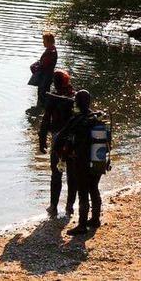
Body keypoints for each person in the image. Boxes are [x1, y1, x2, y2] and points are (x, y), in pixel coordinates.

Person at [54, 90, 106, 235]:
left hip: (82, 161)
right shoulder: (97, 119)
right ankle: (95, 219)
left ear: (76, 103)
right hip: (98, 160)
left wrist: (62, 155)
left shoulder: (77, 120)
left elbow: (59, 139)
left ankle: (82, 225)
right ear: (89, 102)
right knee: (94, 188)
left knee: (83, 192)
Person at [38, 70, 76, 217]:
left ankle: (53, 207)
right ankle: (70, 207)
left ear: (54, 82)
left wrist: (42, 139)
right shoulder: (75, 96)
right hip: (73, 141)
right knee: (72, 175)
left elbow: (46, 119)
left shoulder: (52, 98)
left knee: (56, 173)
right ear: (67, 81)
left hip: (57, 139)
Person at [35, 32, 58, 107]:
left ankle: (43, 109)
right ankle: (42, 109)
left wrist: (35, 67)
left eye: (44, 40)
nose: (43, 42)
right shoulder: (51, 50)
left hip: (46, 76)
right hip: (47, 75)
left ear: (48, 41)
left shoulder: (50, 51)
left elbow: (44, 64)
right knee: (44, 92)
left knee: (43, 94)